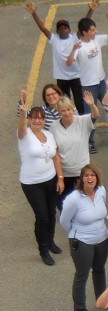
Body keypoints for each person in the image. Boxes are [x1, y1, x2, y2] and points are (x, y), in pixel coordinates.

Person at [18, 86, 63, 265]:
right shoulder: (24, 135)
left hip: (50, 179)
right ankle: (43, 248)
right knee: (42, 216)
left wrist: (60, 178)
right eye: (34, 118)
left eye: (40, 118)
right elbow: (21, 127)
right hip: (32, 183)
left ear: (44, 121)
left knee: (51, 214)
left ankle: (51, 241)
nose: (37, 121)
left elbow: (56, 157)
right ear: (29, 119)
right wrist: (23, 110)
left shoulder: (48, 134)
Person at [58, 164, 108, 311]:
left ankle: (102, 300)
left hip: (102, 239)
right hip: (82, 243)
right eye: (86, 175)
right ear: (81, 179)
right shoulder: (73, 199)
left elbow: (101, 213)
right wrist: (78, 235)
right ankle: (80, 310)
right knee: (82, 275)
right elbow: (64, 221)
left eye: (92, 175)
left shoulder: (101, 191)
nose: (90, 178)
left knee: (99, 270)